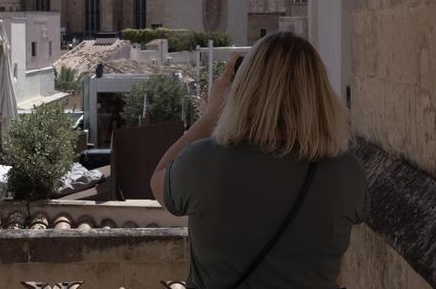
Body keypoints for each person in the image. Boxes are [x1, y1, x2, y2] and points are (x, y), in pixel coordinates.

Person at [150, 32, 368, 288]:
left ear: (245, 88)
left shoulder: (201, 162)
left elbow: (158, 179)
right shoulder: (346, 173)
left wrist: (211, 114)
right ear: (319, 93)